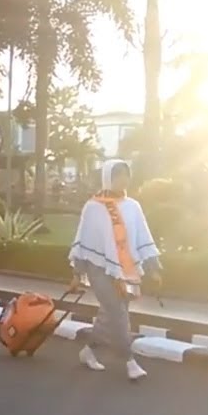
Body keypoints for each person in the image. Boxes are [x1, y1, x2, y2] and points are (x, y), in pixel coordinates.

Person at [68, 159, 162, 381]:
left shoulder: (133, 206)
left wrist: (153, 268)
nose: (123, 180)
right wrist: (76, 274)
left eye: (126, 175)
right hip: (98, 268)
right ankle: (129, 361)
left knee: (109, 313)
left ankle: (89, 350)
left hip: (126, 269)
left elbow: (143, 237)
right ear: (107, 178)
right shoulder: (93, 207)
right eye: (118, 175)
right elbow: (83, 241)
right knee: (117, 312)